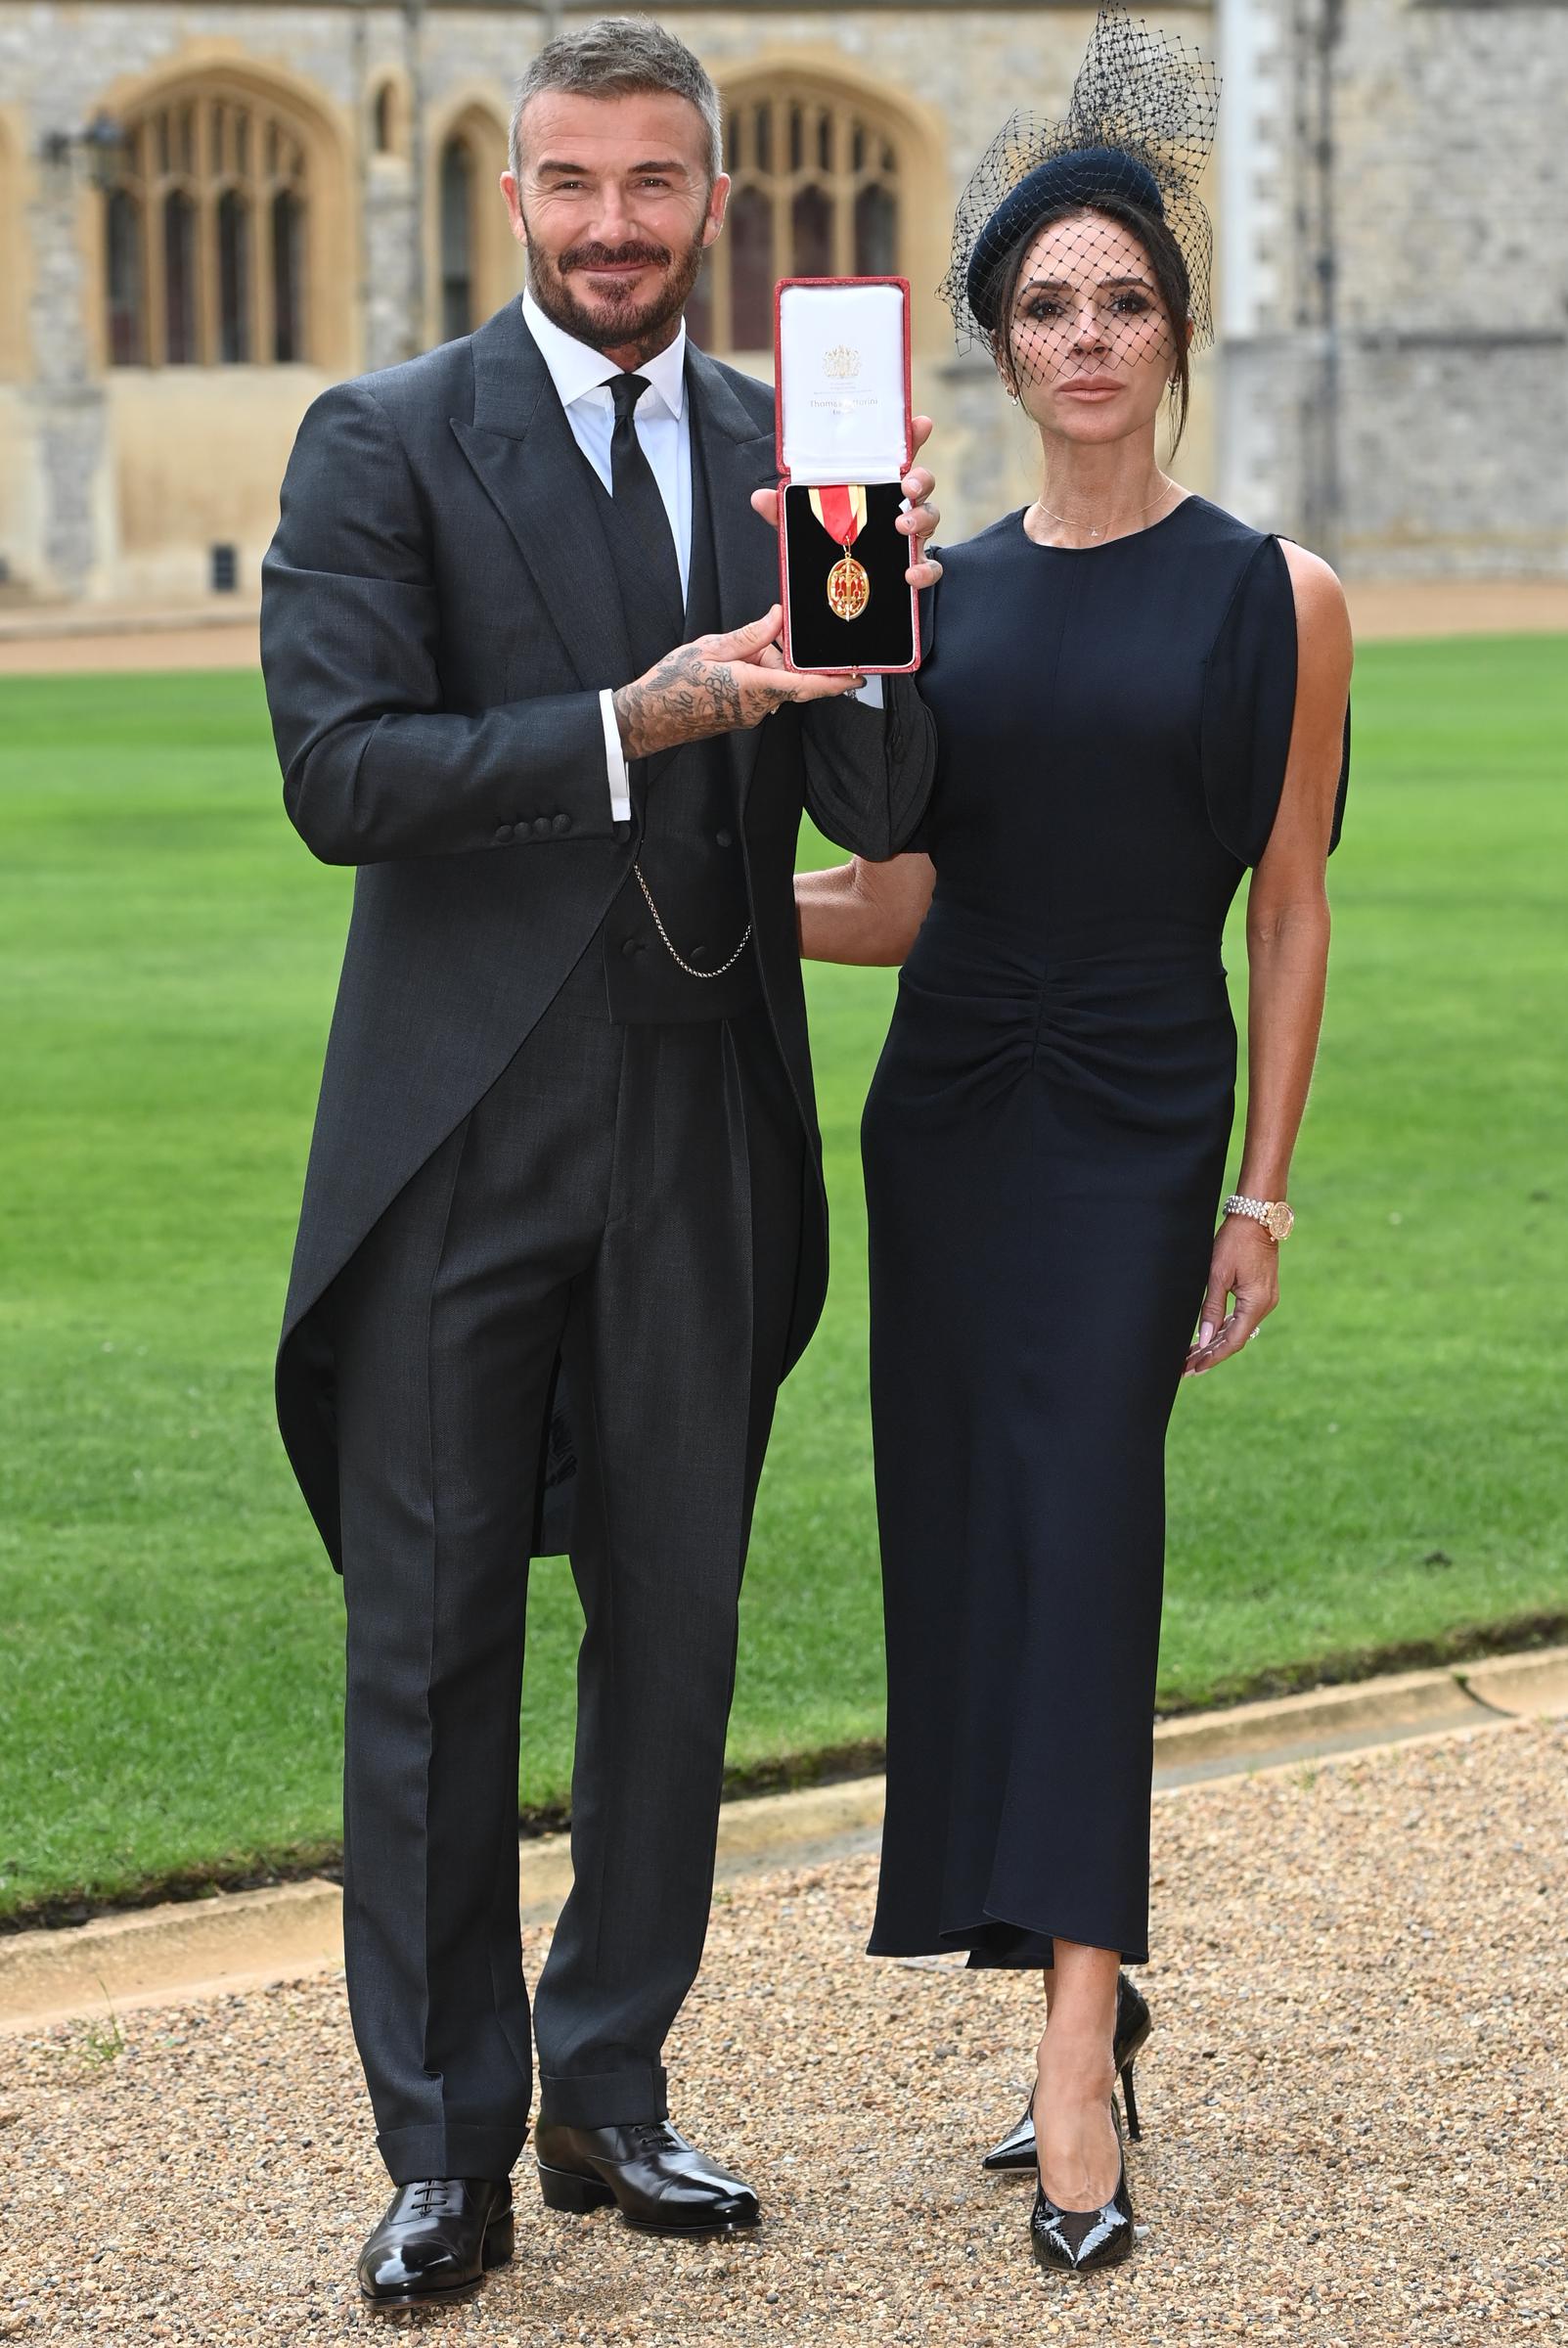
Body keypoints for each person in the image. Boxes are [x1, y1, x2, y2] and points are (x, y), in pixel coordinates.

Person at [260, 16, 939, 2314]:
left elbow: (879, 808)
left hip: (698, 1124)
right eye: (575, 185)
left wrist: (874, 619)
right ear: (518, 196)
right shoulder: (384, 441)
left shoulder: (787, 438)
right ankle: (441, 2141)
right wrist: (630, 723)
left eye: (658, 187)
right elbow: (342, 770)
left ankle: (607, 2091)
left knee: (672, 1633)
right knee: (429, 1645)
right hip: (460, 1129)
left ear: (717, 207)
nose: (615, 226)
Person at [795, 4, 1351, 2278]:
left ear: (1171, 333)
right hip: (945, 1118)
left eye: (1122, 298)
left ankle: (1071, 2050)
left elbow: (1293, 910)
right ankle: (1068, 2004)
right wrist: (690, 891)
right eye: (1047, 303)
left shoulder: (1277, 596)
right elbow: (901, 899)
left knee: (1089, 1541)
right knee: (977, 1561)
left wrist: (1259, 1187)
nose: (1086, 332)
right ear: (996, 348)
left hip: (1139, 1122)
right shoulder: (927, 602)